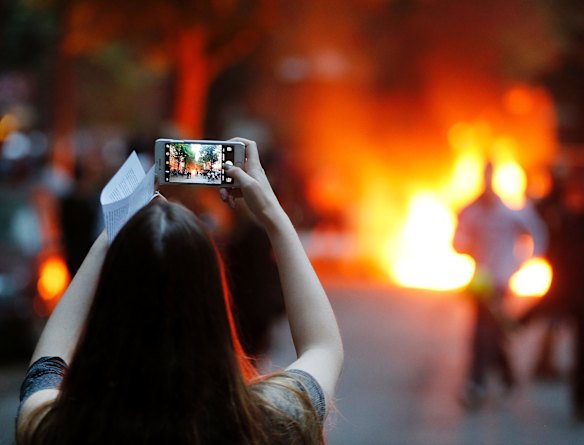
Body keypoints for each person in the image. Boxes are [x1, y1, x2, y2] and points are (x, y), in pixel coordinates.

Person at [15, 138, 344, 444]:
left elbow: (46, 365)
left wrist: (117, 224)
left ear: (111, 306)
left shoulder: (57, 427)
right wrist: (272, 215)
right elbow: (323, 346)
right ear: (214, 301)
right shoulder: (271, 421)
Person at [453, 161, 547, 409]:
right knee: (489, 330)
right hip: (480, 282)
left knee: (483, 331)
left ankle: (476, 384)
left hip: (501, 280)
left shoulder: (510, 213)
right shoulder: (472, 212)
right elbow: (457, 242)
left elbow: (538, 235)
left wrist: (523, 263)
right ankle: (507, 377)